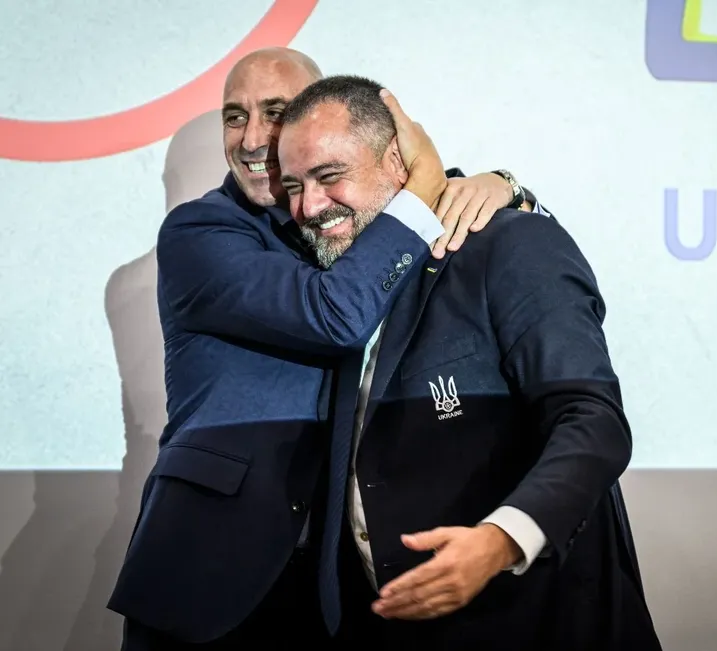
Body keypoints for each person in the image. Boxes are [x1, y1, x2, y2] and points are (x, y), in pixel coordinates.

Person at [108, 47, 534, 650]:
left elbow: (459, 219)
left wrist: (504, 187)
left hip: (334, 587)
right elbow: (336, 314)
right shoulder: (199, 233)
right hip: (210, 569)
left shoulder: (348, 216)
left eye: (276, 112)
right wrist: (426, 189)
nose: (252, 138)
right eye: (235, 116)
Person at [276, 75, 662, 650]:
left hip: (541, 621)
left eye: (330, 176)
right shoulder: (326, 285)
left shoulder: (510, 243)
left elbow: (592, 420)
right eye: (293, 185)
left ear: (398, 162)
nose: (308, 206)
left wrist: (502, 540)